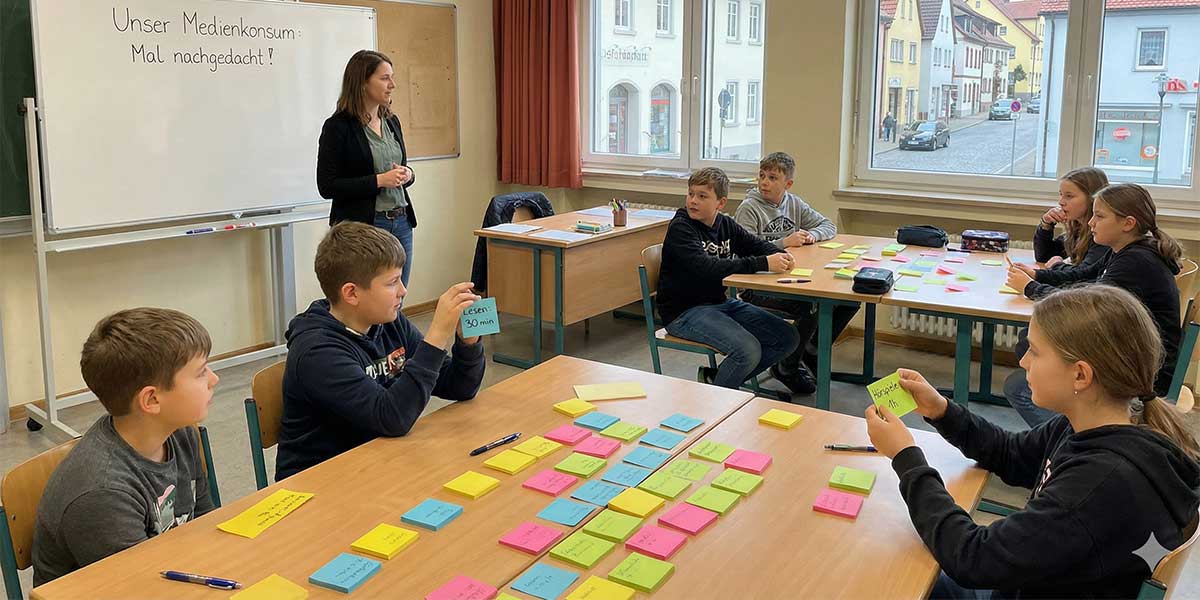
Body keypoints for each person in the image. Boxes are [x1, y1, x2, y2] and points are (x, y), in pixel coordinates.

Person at [865, 285, 1200, 599]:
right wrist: (941, 410)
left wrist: (906, 457)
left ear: (1080, 375)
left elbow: (973, 557)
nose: (1023, 361)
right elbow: (1011, 454)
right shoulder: (1091, 422)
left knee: (888, 576)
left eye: (1035, 352)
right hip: (1033, 583)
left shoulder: (1099, 486)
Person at [275, 222, 485, 481]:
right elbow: (392, 418)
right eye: (392, 282)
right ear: (352, 293)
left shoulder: (387, 322)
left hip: (378, 460)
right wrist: (437, 335)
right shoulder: (317, 352)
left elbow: (460, 387)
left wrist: (468, 343)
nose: (403, 291)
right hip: (322, 480)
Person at [33, 308, 218, 585]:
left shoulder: (180, 433)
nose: (214, 379)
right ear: (152, 400)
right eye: (201, 372)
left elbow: (204, 524)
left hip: (169, 575)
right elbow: (138, 587)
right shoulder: (103, 492)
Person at [1006, 183, 1182, 426]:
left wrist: (1030, 288)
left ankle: (1084, 433)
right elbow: (1083, 277)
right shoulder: (1123, 250)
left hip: (1143, 375)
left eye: (1099, 216)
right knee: (1030, 343)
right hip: (1132, 358)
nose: (1091, 223)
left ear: (1128, 223)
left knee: (1020, 385)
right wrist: (1038, 275)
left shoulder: (1135, 262)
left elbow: (1087, 307)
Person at [656, 167, 800, 392]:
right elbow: (707, 268)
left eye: (702, 196)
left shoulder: (724, 224)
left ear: (720, 203)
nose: (693, 201)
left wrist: (779, 254)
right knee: (747, 350)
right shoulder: (681, 227)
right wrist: (764, 263)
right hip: (683, 312)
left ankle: (719, 381)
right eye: (691, 194)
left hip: (719, 303)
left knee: (787, 337)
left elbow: (754, 244)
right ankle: (719, 399)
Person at [734, 151, 858, 395]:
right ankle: (787, 366)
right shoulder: (749, 208)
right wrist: (783, 243)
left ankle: (811, 350)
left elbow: (828, 225)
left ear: (787, 184)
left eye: (772, 178)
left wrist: (812, 234)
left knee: (848, 299)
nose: (764, 182)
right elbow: (743, 251)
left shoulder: (794, 203)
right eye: (762, 176)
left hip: (788, 277)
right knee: (812, 304)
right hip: (755, 286)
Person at [1001, 167, 1111, 425]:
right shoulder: (1079, 228)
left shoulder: (1101, 237)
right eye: (1061, 195)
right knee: (1026, 340)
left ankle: (1067, 420)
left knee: (1028, 342)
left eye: (1069, 196)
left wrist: (1042, 275)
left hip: (1094, 328)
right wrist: (1045, 225)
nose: (1061, 202)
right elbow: (1044, 256)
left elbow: (1083, 276)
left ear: (1092, 199)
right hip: (1084, 308)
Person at [317, 50, 418, 287]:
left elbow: (399, 167)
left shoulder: (391, 121)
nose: (392, 85)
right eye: (384, 78)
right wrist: (379, 180)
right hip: (365, 228)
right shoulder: (338, 127)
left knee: (397, 297)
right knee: (367, 300)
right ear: (362, 82)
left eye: (392, 77)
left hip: (401, 222)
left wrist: (408, 174)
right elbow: (327, 186)